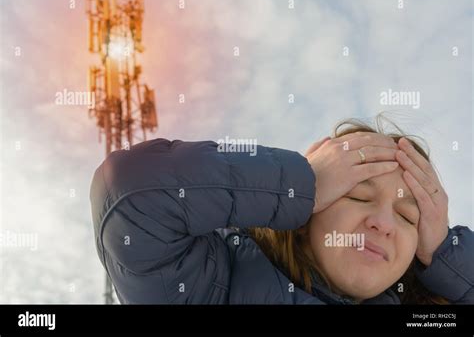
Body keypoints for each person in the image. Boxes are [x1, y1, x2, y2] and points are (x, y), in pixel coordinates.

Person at [89, 116, 473, 304]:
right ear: (310, 209)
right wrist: (298, 182)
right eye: (357, 195)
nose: (384, 223)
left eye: (408, 217)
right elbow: (130, 192)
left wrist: (444, 254)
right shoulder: (214, 283)